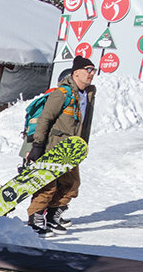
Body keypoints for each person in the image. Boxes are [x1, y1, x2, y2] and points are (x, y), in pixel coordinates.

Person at [25, 55, 96, 237]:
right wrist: (37, 146)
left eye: (93, 70)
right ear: (77, 72)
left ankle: (52, 215)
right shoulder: (62, 93)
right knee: (47, 185)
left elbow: (84, 125)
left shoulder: (87, 95)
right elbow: (45, 119)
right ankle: (36, 218)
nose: (91, 74)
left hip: (72, 150)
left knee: (72, 184)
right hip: (53, 146)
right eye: (88, 70)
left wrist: (83, 147)